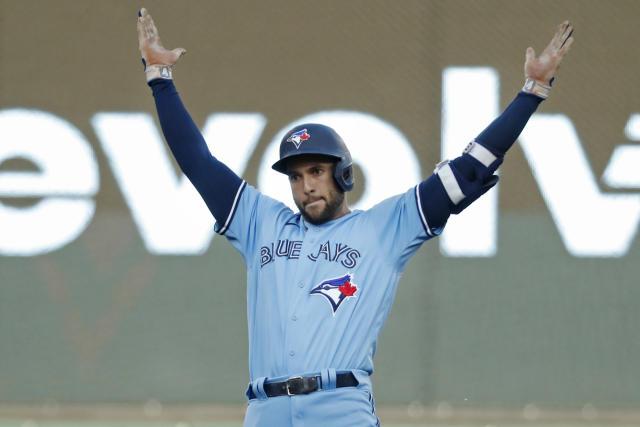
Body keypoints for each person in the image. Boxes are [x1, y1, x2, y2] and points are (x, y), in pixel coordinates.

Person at [136, 8, 573, 426]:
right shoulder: (260, 223)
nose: (306, 184)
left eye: (317, 171)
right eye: (296, 175)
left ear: (343, 173)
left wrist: (530, 94)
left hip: (340, 406)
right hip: (265, 409)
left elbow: (469, 170)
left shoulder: (384, 228)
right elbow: (197, 162)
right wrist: (161, 80)